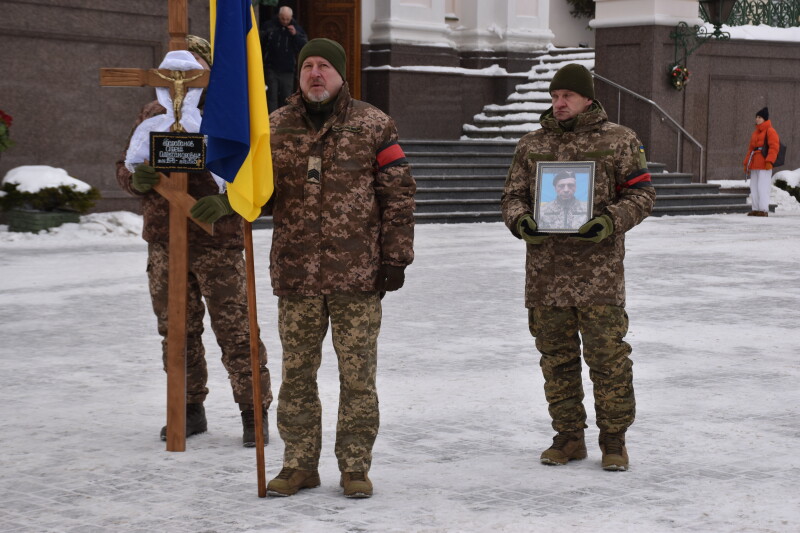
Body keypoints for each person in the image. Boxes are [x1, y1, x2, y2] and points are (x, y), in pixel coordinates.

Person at [264, 38, 415, 498]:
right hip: (297, 276)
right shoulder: (274, 126)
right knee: (297, 375)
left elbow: (399, 194)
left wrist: (395, 257)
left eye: (324, 66)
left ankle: (354, 467)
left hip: (358, 275)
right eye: (307, 65)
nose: (314, 73)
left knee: (357, 376)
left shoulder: (373, 124)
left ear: (341, 74)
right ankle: (298, 464)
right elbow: (259, 194)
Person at [115, 35, 272, 448]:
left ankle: (253, 411)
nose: (185, 76)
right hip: (165, 241)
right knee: (176, 330)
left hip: (216, 242)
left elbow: (253, 176)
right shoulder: (153, 114)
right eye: (178, 69)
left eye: (196, 67)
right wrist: (136, 180)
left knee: (236, 330)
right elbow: (126, 165)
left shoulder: (225, 115)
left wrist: (227, 205)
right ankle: (188, 408)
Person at [501, 63, 655, 472]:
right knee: (556, 359)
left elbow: (642, 194)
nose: (559, 103)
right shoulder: (531, 145)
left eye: (567, 96)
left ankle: (614, 440)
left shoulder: (620, 141)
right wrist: (521, 221)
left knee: (609, 359)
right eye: (554, 96)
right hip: (546, 276)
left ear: (587, 97)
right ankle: (568, 437)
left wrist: (609, 221)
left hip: (599, 276)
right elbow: (512, 196)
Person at [261, 6, 308, 112]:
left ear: (291, 17)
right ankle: (272, 121)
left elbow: (304, 45)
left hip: (288, 70)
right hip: (271, 67)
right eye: (283, 19)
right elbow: (261, 42)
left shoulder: (297, 28)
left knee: (286, 97)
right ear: (279, 16)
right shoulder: (269, 26)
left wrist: (295, 35)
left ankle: (285, 122)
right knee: (271, 97)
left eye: (288, 19)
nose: (285, 21)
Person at [743, 107, 779, 217]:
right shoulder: (755, 133)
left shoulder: (770, 131)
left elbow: (774, 147)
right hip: (754, 164)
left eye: (759, 117)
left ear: (764, 119)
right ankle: (755, 208)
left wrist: (770, 161)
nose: (757, 119)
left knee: (762, 187)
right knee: (754, 187)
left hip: (764, 164)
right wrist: (746, 164)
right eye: (756, 117)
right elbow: (750, 150)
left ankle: (763, 209)